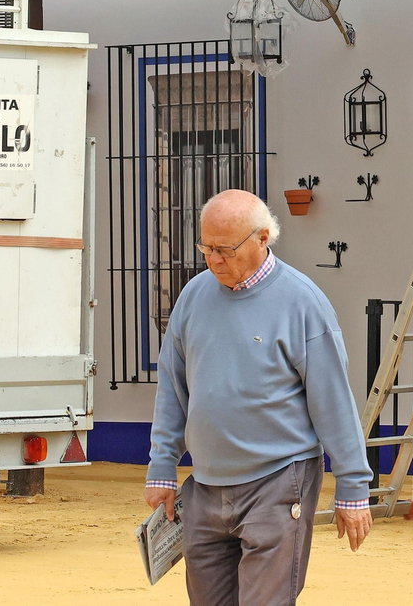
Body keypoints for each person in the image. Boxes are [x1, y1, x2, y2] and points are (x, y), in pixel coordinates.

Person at [145, 189, 372, 605]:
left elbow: (334, 403)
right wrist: (162, 468)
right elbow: (172, 389)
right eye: (206, 248)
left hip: (278, 481)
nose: (213, 259)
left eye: (224, 249)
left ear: (263, 238)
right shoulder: (193, 297)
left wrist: (353, 487)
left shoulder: (303, 303)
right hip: (206, 487)